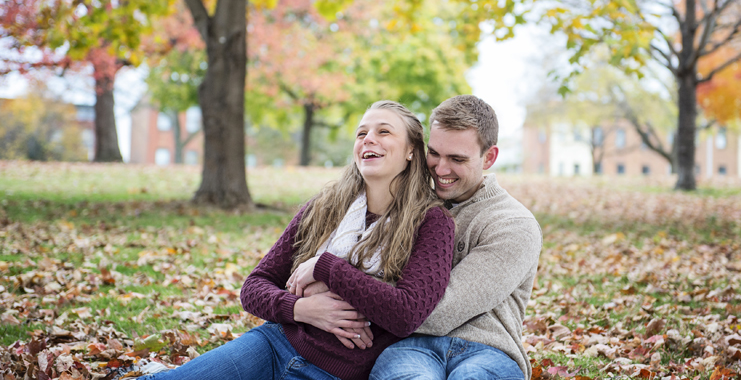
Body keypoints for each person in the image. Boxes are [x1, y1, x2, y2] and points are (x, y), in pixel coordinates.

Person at [133, 100, 455, 380]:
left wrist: (325, 268)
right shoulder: (324, 207)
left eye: (384, 132)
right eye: (361, 133)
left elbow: (407, 313)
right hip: (273, 345)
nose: (369, 138)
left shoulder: (431, 222)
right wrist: (301, 309)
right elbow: (254, 286)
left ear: (412, 150)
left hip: (336, 372)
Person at [370, 95, 543, 380]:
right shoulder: (406, 207)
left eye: (457, 159)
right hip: (409, 347)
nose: (440, 169)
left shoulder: (514, 224)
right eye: (435, 153)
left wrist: (359, 303)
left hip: (488, 350)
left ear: (489, 157)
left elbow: (442, 310)